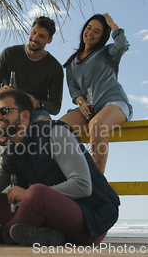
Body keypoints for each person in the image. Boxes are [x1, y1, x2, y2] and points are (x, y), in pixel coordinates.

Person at [0, 89, 120, 247]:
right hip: (50, 220)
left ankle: (3, 235)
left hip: (90, 222)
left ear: (25, 116)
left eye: (4, 111)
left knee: (36, 193)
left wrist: (29, 194)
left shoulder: (54, 133)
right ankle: (48, 236)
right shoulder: (11, 154)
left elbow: (83, 186)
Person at [59, 13, 133, 174]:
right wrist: (82, 103)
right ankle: (71, 175)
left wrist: (111, 22)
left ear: (102, 36)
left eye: (97, 31)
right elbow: (75, 91)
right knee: (56, 131)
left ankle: (97, 184)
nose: (90, 33)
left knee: (97, 126)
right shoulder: (71, 63)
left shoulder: (108, 52)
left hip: (114, 103)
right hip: (89, 109)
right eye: (89, 28)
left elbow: (122, 45)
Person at [0, 16, 63, 158]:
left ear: (49, 40)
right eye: (33, 32)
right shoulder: (9, 53)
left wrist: (38, 103)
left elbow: (56, 106)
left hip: (35, 113)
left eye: (42, 36)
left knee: (44, 130)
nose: (35, 38)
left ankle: (38, 176)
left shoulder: (55, 68)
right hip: (7, 109)